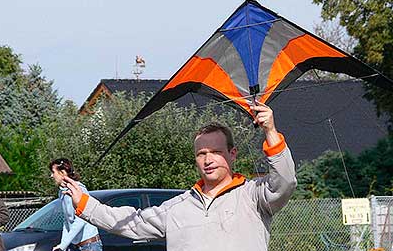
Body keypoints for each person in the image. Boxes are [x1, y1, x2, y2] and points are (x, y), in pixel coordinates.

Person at [63, 102, 297, 251]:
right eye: (201, 154)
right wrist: (84, 203)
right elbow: (132, 224)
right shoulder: (178, 206)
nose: (208, 160)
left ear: (232, 154)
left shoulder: (253, 196)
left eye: (216, 152)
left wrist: (270, 131)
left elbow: (284, 182)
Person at [49, 158, 102, 251]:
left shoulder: (79, 189)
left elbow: (81, 220)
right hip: (75, 246)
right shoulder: (62, 192)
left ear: (62, 173)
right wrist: (63, 245)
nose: (51, 176)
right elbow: (67, 221)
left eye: (53, 172)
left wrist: (63, 245)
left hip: (90, 246)